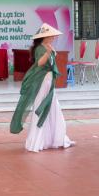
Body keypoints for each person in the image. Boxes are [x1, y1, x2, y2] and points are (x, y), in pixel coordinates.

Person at [10, 23, 75, 152]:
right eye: (51, 35)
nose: (53, 37)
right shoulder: (40, 48)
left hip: (48, 80)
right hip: (43, 81)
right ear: (44, 36)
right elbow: (39, 63)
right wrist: (48, 53)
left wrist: (50, 52)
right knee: (42, 107)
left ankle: (56, 139)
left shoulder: (47, 46)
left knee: (52, 109)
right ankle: (38, 141)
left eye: (53, 36)